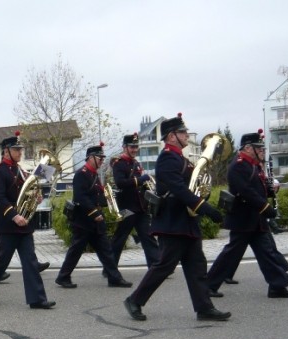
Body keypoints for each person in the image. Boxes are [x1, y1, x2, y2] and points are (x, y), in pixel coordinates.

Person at [123, 113, 231, 321]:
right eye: (183, 132)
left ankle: (204, 308)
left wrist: (203, 194)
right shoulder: (166, 158)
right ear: (172, 136)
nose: (186, 135)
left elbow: (192, 188)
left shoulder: (180, 158)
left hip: (185, 221)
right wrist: (204, 207)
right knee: (164, 265)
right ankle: (134, 300)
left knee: (197, 265)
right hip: (172, 222)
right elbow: (179, 190)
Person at [206, 130, 288, 299]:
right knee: (230, 254)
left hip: (255, 219)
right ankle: (209, 285)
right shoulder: (238, 166)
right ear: (248, 148)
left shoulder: (251, 165)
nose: (262, 151)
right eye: (259, 148)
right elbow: (246, 192)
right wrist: (266, 208)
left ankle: (277, 286)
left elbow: (257, 188)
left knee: (267, 253)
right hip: (243, 218)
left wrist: (269, 191)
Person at [0, 132, 55, 309]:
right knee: (0, 263)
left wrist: (37, 197)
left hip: (25, 225)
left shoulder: (22, 171)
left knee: (30, 261)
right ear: (6, 151)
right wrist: (14, 215)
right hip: (8, 225)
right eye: (16, 149)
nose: (20, 152)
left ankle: (37, 299)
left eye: (20, 149)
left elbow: (35, 186)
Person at [55, 142, 133, 289]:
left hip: (95, 221)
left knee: (106, 251)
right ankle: (63, 276)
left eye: (103, 158)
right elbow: (80, 197)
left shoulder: (93, 175)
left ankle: (114, 278)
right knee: (76, 251)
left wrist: (110, 200)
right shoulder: (81, 174)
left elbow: (96, 196)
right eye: (99, 157)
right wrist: (94, 212)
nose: (102, 160)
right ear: (90, 157)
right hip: (84, 221)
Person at [106, 132, 160, 278]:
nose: (135, 149)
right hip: (126, 207)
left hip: (140, 207)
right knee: (119, 239)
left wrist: (147, 186)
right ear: (124, 147)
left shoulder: (136, 164)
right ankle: (109, 269)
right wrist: (140, 180)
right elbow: (120, 183)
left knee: (148, 237)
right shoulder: (119, 163)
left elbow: (141, 184)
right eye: (132, 147)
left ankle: (156, 267)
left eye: (136, 147)